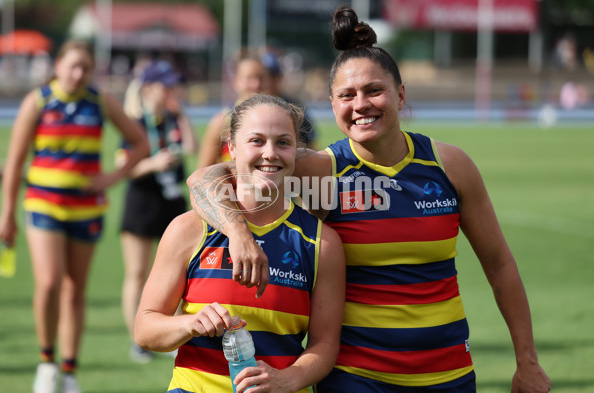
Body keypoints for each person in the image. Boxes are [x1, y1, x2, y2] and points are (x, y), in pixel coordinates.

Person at [185, 7, 552, 393]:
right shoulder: (322, 171)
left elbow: (500, 266)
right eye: (347, 95)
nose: (361, 105)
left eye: (374, 91)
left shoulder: (449, 166)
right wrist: (237, 231)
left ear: (401, 94)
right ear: (332, 104)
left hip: (449, 374)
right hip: (354, 378)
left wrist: (527, 361)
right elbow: (204, 179)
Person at [135, 94, 345, 392]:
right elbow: (145, 328)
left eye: (283, 142)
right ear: (232, 148)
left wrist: (289, 378)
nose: (270, 153)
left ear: (296, 151)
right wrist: (189, 324)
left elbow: (325, 344)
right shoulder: (189, 229)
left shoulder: (321, 242)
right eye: (256, 141)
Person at [0, 40, 149, 393]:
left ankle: (69, 371)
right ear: (58, 66)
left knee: (74, 291)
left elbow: (139, 142)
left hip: (86, 209)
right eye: (73, 66)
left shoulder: (99, 101)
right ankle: (46, 363)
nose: (79, 73)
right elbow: (15, 162)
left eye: (86, 67)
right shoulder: (38, 101)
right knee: (50, 283)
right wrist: (7, 214)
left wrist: (112, 178)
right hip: (43, 205)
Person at [117, 60, 198, 363]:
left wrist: (181, 111)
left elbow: (191, 146)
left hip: (173, 201)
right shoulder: (135, 122)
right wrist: (153, 163)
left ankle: (177, 335)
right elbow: (121, 167)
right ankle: (138, 340)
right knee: (137, 274)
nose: (172, 91)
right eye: (167, 86)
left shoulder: (174, 118)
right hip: (142, 201)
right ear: (149, 88)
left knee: (181, 273)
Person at [196, 51, 268, 168]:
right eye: (250, 78)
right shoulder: (221, 123)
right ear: (236, 81)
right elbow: (201, 174)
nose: (256, 84)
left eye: (261, 77)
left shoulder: (277, 119)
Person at [261, 49, 317, 149]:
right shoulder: (241, 108)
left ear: (279, 78)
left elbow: (311, 145)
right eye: (262, 76)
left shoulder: (295, 108)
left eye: (272, 76)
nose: (268, 81)